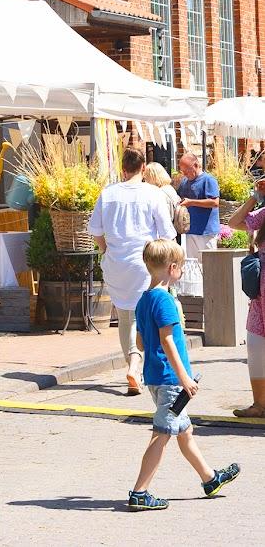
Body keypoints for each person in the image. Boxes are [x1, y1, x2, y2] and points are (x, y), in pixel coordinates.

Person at [127, 239, 240, 511]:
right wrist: (184, 379)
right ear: (173, 267)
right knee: (162, 433)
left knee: (184, 431)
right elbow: (168, 342)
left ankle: (209, 478)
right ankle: (140, 492)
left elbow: (141, 343)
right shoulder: (164, 301)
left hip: (156, 377)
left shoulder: (144, 300)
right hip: (170, 380)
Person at [88, 148, 175, 396]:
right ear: (144, 168)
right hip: (145, 261)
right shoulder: (153, 193)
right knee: (142, 316)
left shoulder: (109, 193)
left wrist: (105, 249)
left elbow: (95, 229)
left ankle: (131, 366)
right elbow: (167, 233)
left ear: (123, 169)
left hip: (116, 262)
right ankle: (136, 366)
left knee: (125, 317)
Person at [231, 181, 265, 416]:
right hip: (260, 296)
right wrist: (255, 197)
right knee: (255, 347)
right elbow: (233, 223)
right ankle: (259, 405)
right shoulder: (263, 214)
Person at [177, 152, 220, 259]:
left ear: (196, 165)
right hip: (190, 230)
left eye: (187, 170)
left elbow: (215, 203)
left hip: (206, 231)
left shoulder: (208, 180)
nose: (185, 174)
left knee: (208, 264)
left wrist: (191, 202)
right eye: (183, 171)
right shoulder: (184, 182)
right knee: (193, 266)